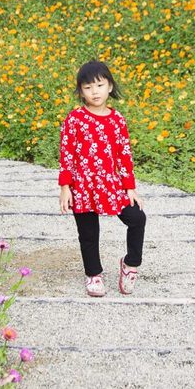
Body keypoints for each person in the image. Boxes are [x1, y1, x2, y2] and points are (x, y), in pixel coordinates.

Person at [58, 60, 146, 297]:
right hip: (83, 185)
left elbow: (124, 155)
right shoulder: (75, 119)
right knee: (88, 233)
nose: (94, 92)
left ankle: (130, 264)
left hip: (111, 183)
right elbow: (67, 153)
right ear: (81, 91)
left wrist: (130, 187)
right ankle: (93, 274)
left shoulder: (117, 120)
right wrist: (65, 187)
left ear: (110, 86)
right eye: (88, 87)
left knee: (137, 217)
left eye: (99, 85)